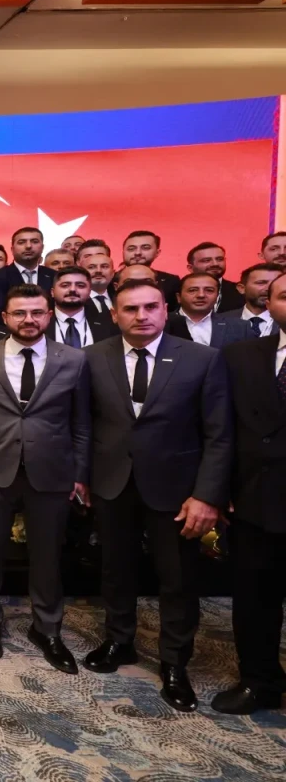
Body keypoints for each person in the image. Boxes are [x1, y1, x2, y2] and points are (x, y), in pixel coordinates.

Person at [81, 279, 232, 712]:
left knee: (177, 578)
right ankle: (119, 640)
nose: (141, 316)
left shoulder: (202, 359)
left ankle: (174, 662)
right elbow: (84, 423)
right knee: (116, 569)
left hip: (177, 490)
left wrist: (207, 495)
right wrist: (82, 476)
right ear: (114, 315)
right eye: (130, 309)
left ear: (166, 310)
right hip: (112, 482)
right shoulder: (92, 357)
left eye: (150, 307)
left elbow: (219, 434)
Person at [0, 284, 90, 673]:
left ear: (49, 315)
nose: (29, 320)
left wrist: (79, 473)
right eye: (20, 313)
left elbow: (82, 424)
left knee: (47, 555)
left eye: (37, 312)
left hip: (52, 471)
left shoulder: (74, 359)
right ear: (4, 317)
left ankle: (47, 628)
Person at [212, 273, 286, 715]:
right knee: (255, 599)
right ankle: (260, 681)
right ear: (268, 305)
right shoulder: (241, 355)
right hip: (255, 498)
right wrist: (218, 490)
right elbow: (220, 428)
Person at [166, 272, 253, 348]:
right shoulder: (163, 323)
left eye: (209, 290)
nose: (201, 295)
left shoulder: (240, 327)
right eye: (192, 290)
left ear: (217, 297)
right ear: (179, 297)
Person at [0, 228, 54, 317]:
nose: (28, 246)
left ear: (42, 247)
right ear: (12, 249)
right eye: (21, 242)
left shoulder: (54, 276)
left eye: (34, 241)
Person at [48, 266, 117, 347]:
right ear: (52, 292)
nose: (73, 289)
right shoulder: (42, 321)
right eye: (65, 285)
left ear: (89, 292)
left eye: (80, 285)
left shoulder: (108, 322)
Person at [218, 263, 283, 337]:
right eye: (261, 283)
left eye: (275, 283)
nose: (269, 288)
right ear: (242, 288)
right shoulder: (220, 321)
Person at [122, 230, 181, 310]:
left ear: (157, 252)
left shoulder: (171, 281)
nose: (138, 253)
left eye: (145, 248)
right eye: (131, 249)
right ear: (123, 252)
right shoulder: (110, 280)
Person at [187, 242, 244, 314]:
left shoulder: (241, 291)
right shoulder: (177, 290)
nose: (215, 264)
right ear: (190, 268)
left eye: (220, 259)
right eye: (207, 260)